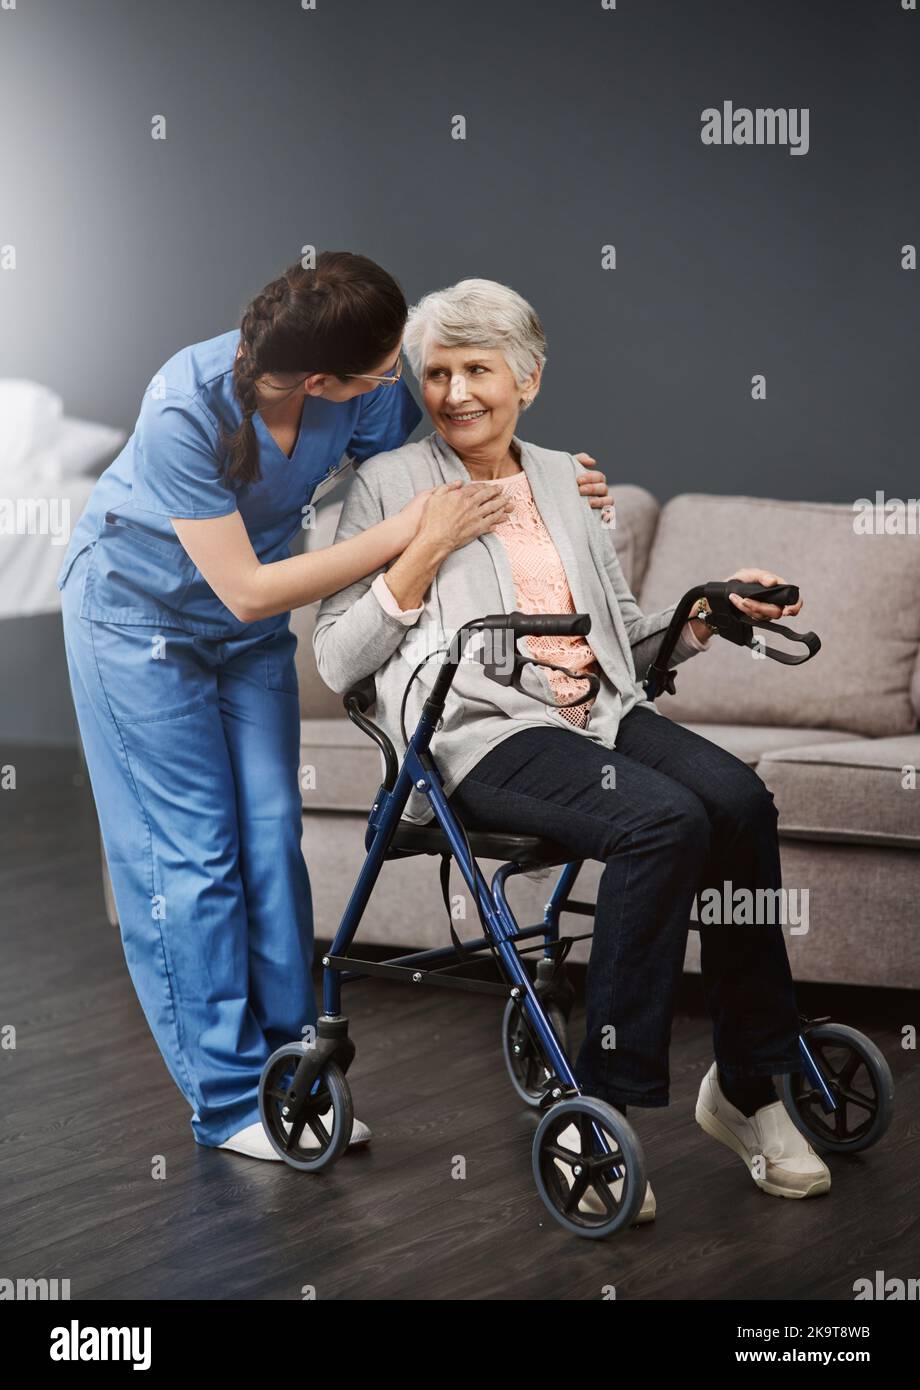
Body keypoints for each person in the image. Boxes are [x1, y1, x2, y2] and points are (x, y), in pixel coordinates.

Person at [57, 254, 615, 1161]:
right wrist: (409, 537)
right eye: (386, 369)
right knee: (192, 855)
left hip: (244, 641)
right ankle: (231, 1101)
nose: (400, 378)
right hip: (138, 623)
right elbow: (245, 588)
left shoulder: (360, 389)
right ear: (319, 379)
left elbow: (439, 458)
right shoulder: (183, 408)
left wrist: (550, 484)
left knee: (274, 838)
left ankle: (294, 1073)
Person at [313, 277, 831, 1220]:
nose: (457, 393)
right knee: (662, 823)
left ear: (529, 379)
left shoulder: (567, 479)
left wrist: (707, 613)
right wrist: (423, 550)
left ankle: (750, 1090)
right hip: (476, 731)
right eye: (437, 373)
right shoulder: (386, 485)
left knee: (742, 802)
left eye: (480, 370)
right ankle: (603, 1099)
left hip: (595, 714)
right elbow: (339, 657)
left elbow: (622, 641)